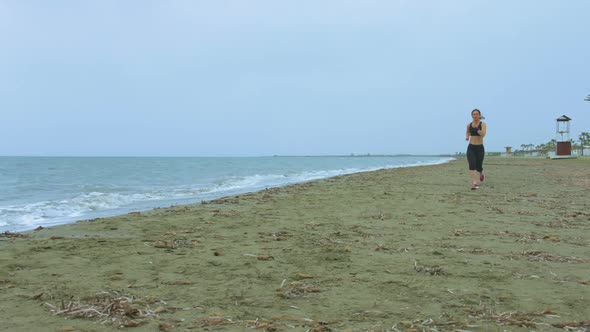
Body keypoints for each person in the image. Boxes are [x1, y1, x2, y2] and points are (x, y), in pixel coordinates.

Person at [465, 109, 486, 190]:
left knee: (478, 166)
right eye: (473, 114)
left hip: (480, 148)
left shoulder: (482, 124)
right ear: (472, 115)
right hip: (471, 147)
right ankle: (474, 183)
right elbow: (467, 132)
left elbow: (483, 134)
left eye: (477, 114)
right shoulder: (469, 125)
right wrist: (467, 137)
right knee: (472, 165)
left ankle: (481, 172)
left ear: (479, 115)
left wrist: (477, 129)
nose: (475, 115)